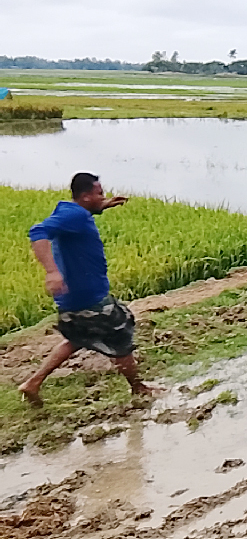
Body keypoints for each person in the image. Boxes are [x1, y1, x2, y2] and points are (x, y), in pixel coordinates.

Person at [19, 172, 157, 407]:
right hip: (88, 297)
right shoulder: (73, 214)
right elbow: (38, 232)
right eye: (99, 193)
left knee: (77, 337)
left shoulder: (76, 212)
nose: (103, 196)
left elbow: (79, 214)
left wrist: (103, 205)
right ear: (84, 197)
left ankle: (33, 383)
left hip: (72, 300)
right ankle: (139, 387)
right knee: (121, 331)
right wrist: (52, 272)